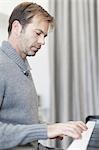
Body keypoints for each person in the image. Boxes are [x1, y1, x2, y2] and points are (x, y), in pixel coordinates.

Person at [0, 2, 88, 150]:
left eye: (44, 36)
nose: (42, 41)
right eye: (38, 33)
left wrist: (53, 127)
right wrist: (45, 130)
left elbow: (21, 124)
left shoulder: (21, 65)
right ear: (17, 28)